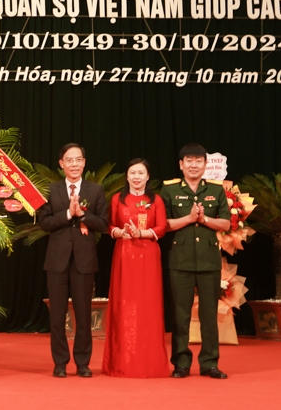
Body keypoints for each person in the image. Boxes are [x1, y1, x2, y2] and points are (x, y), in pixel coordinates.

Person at [160, 143, 231, 379]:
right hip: (180, 261)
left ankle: (210, 363)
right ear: (181, 165)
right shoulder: (169, 191)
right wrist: (190, 218)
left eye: (198, 160)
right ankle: (181, 363)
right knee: (180, 315)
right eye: (188, 160)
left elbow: (226, 224)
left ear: (205, 165)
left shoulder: (216, 190)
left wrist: (205, 218)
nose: (193, 164)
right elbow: (163, 225)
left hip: (209, 261)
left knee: (209, 315)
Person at [38, 143, 108, 378]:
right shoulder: (51, 190)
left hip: (84, 260)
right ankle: (60, 363)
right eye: (70, 160)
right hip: (56, 261)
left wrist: (83, 214)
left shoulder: (96, 190)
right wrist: (68, 214)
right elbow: (44, 223)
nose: (74, 164)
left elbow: (104, 224)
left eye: (78, 159)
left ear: (84, 162)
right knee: (57, 316)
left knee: (83, 314)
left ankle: (83, 362)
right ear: (61, 164)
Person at [101, 159, 170, 378]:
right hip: (124, 254)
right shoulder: (117, 199)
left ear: (148, 176)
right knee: (124, 303)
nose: (137, 177)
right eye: (133, 173)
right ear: (127, 176)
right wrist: (119, 233)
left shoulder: (156, 200)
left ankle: (149, 363)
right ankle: (120, 363)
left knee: (148, 304)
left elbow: (161, 227)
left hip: (148, 254)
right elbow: (109, 225)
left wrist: (142, 233)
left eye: (141, 173)